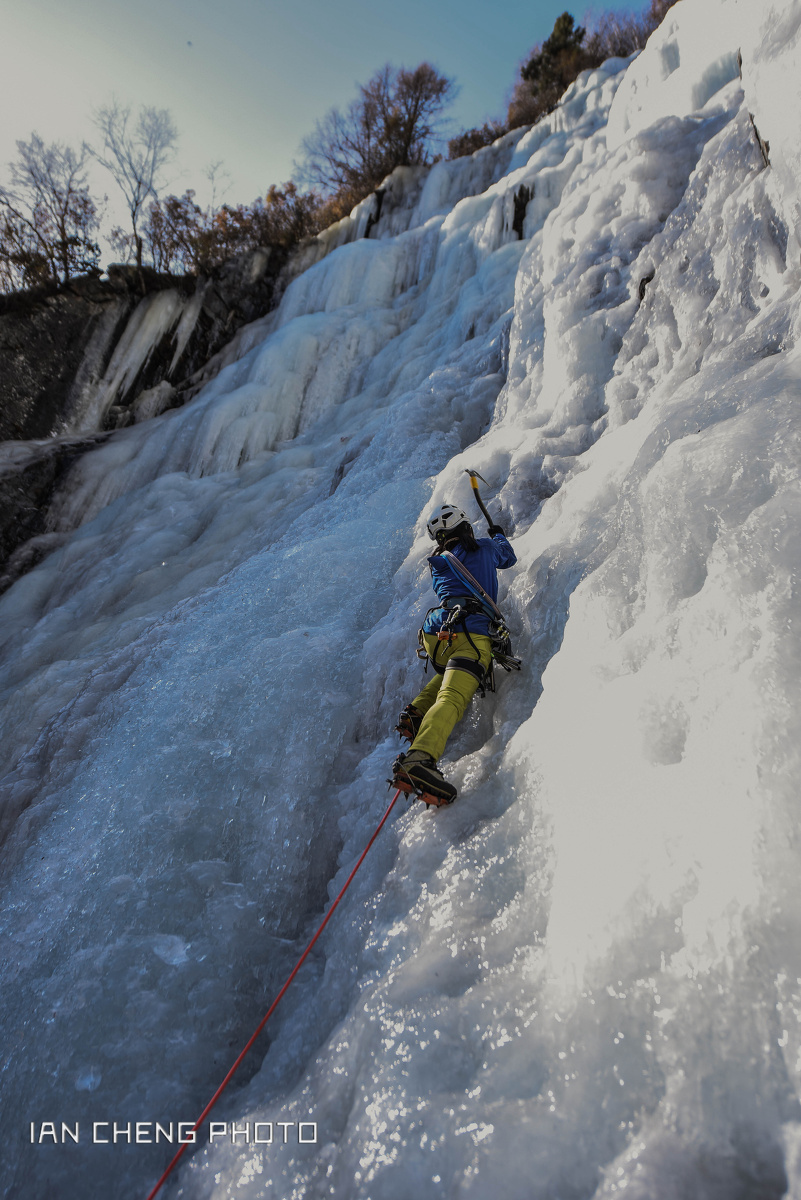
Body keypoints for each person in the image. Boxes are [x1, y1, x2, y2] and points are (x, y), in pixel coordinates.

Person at [392, 502, 517, 804]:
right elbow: (507, 557)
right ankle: (419, 760)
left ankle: (419, 709)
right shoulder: (485, 548)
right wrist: (499, 534)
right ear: (464, 526)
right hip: (470, 633)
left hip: (438, 634)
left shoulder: (439, 563)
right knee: (454, 696)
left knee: (451, 675)